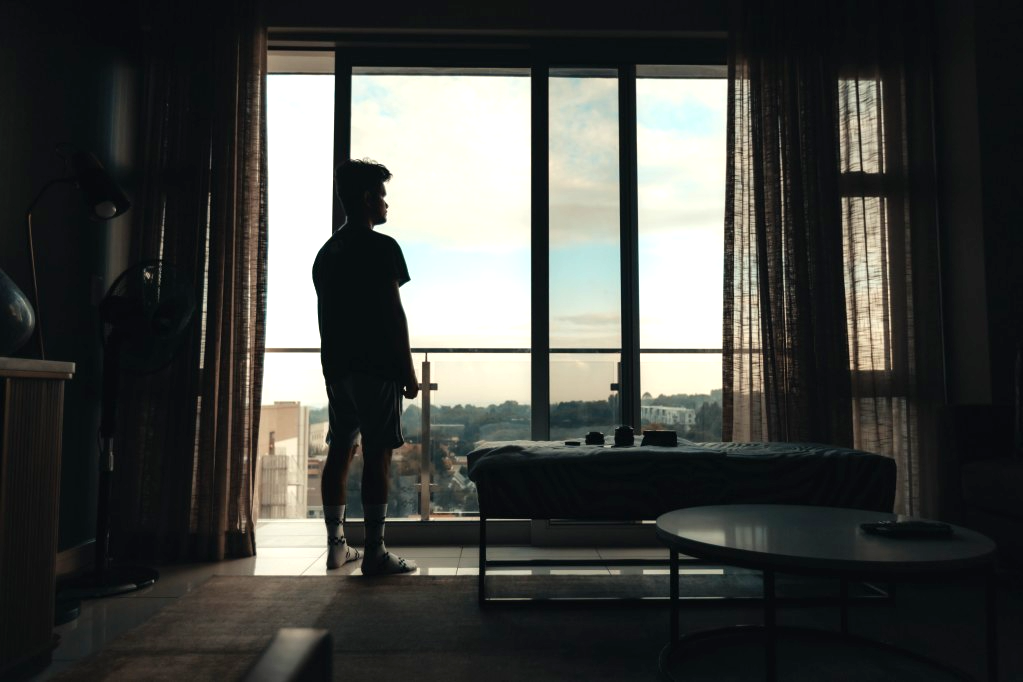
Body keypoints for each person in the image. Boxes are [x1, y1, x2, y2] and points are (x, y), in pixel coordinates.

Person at [312, 158, 419, 575]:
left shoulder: (327, 254)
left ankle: (337, 546)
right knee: (377, 455)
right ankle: (374, 551)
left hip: (337, 369)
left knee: (339, 451)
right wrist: (407, 372)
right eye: (381, 197)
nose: (386, 205)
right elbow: (393, 315)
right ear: (366, 199)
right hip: (375, 368)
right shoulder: (382, 248)